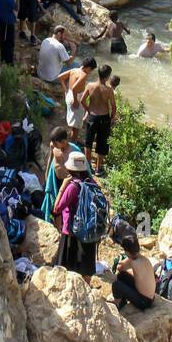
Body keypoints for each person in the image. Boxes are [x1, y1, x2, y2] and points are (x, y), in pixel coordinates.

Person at [52, 151, 98, 282]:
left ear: (70, 168)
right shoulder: (92, 184)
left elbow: (57, 208)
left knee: (65, 271)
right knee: (85, 272)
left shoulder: (73, 186)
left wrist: (62, 187)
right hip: (89, 232)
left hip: (71, 233)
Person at [41, 125, 83, 221]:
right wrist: (47, 174)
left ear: (63, 142)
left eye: (56, 143)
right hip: (56, 181)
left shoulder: (74, 152)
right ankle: (56, 222)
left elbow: (82, 169)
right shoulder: (53, 146)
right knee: (54, 204)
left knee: (64, 206)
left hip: (68, 184)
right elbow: (51, 159)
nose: (53, 144)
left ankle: (64, 225)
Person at [81, 63, 117, 173]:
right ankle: (98, 167)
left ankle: (87, 167)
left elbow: (82, 101)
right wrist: (111, 118)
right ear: (107, 76)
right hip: (104, 118)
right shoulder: (109, 90)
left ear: (98, 73)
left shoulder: (90, 86)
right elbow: (114, 107)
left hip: (92, 116)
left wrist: (88, 110)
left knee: (88, 142)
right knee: (102, 143)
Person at [112, 229, 157, 312]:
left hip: (144, 302)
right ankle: (123, 300)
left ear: (127, 252)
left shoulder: (133, 262)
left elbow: (119, 268)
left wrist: (123, 260)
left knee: (116, 285)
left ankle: (117, 303)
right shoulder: (144, 259)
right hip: (150, 297)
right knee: (122, 276)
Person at [60, 56, 97, 134]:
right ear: (89, 68)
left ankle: (70, 137)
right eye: (91, 70)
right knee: (76, 126)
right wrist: (75, 100)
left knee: (72, 121)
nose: (90, 72)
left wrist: (66, 90)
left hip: (69, 95)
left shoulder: (74, 70)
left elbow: (60, 77)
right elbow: (74, 88)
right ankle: (74, 141)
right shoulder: (83, 75)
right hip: (76, 97)